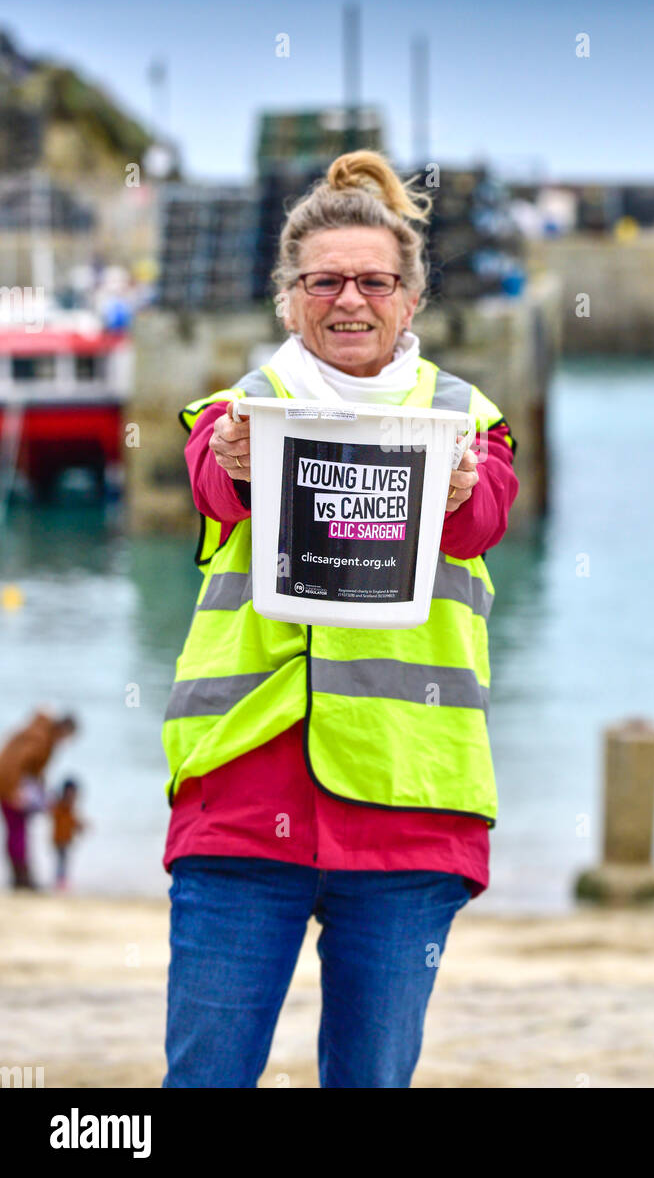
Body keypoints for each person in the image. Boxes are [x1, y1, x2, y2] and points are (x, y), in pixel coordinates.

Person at [162, 150, 519, 1088]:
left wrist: (458, 490)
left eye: (373, 281)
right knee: (203, 1080)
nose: (348, 300)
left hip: (410, 811)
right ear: (289, 299)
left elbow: (484, 521)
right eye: (325, 281)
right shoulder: (235, 415)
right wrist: (239, 460)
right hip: (241, 806)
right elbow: (215, 492)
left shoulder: (468, 423)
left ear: (410, 300)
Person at [0, 709, 78, 889]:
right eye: (67, 737)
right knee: (17, 831)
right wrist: (13, 791)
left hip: (12, 784)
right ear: (64, 729)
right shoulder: (40, 738)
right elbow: (15, 762)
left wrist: (41, 792)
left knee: (18, 831)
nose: (65, 742)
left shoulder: (41, 734)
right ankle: (21, 877)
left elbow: (32, 770)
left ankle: (20, 877)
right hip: (8, 786)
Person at [51, 778, 86, 890]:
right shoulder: (61, 806)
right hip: (59, 839)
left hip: (66, 839)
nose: (73, 795)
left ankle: (62, 881)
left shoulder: (69, 807)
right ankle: (61, 882)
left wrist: (79, 826)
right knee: (62, 860)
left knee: (64, 860)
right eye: (71, 792)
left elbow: (73, 822)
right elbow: (56, 816)